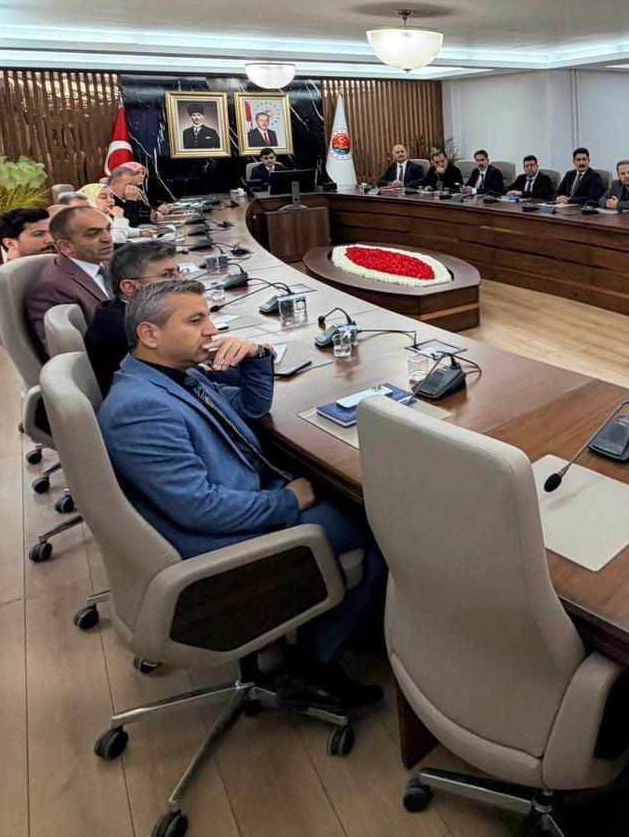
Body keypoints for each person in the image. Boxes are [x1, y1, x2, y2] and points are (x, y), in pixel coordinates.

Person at [97, 280, 384, 712]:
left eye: (209, 317)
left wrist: (257, 355)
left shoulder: (173, 376)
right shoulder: (140, 408)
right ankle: (315, 664)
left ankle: (352, 620)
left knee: (351, 498)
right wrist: (288, 501)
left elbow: (249, 408)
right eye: (196, 320)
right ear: (150, 334)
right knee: (381, 526)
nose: (212, 330)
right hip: (221, 540)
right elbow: (200, 509)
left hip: (242, 498)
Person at [83, 240, 182, 395]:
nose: (180, 280)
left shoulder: (125, 311)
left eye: (178, 272)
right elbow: (180, 374)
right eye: (167, 275)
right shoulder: (126, 330)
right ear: (130, 287)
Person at [24, 206, 115, 353]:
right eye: (92, 234)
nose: (108, 238)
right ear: (65, 246)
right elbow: (66, 352)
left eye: (108, 229)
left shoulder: (108, 263)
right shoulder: (51, 288)